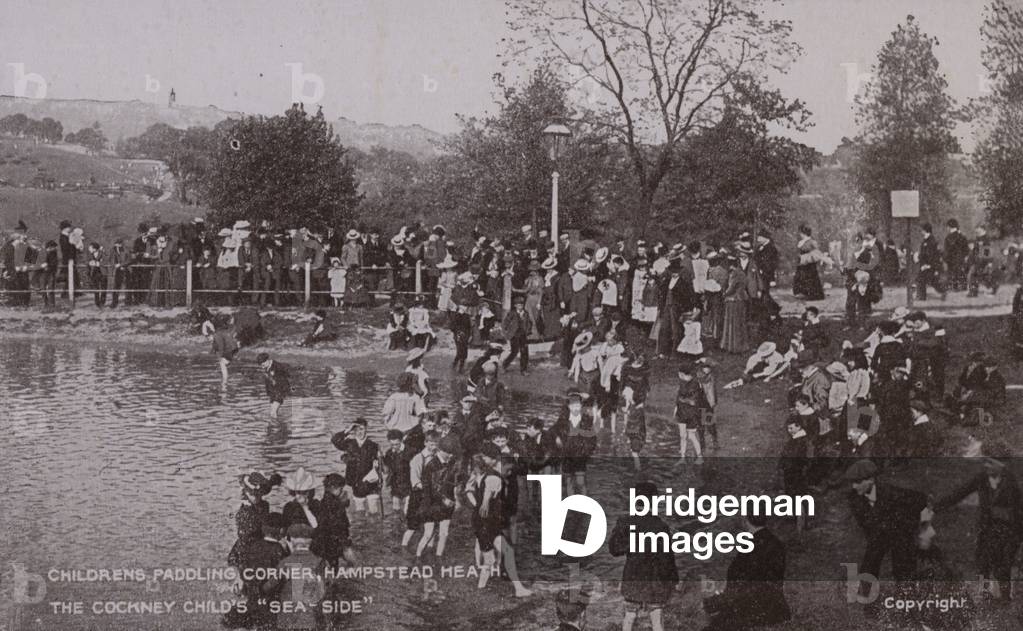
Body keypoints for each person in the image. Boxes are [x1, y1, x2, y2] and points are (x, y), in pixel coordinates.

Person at [934, 449, 1023, 601]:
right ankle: (985, 594)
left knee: (1003, 564)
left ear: (1000, 466)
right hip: (987, 528)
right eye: (985, 462)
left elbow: (1019, 510)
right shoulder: (982, 478)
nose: (986, 466)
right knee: (983, 563)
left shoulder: (1011, 482)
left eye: (990, 463)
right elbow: (960, 492)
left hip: (1007, 530)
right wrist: (936, 507)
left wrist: (1018, 535)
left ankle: (1005, 597)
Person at [844, 459, 932, 604]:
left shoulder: (893, 493)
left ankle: (909, 604)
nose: (854, 486)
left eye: (858, 482)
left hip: (902, 532)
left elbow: (923, 501)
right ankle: (866, 601)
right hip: (880, 532)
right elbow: (866, 525)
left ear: (871, 480)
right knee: (869, 564)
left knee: (903, 569)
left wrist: (925, 532)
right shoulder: (854, 498)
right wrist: (875, 541)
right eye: (852, 482)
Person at [609, 481, 679, 631]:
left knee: (629, 615)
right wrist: (674, 579)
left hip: (632, 578)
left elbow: (614, 550)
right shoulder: (660, 526)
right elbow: (667, 559)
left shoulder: (625, 522)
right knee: (656, 617)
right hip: (655, 580)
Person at [702, 515, 791, 630]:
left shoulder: (748, 548)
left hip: (751, 610)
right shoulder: (777, 543)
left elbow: (742, 589)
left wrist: (711, 603)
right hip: (777, 609)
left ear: (745, 520)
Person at [416, 434, 461, 559]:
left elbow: (455, 483)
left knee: (444, 533)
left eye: (452, 453)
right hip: (430, 503)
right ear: (440, 450)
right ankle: (418, 557)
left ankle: (438, 557)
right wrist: (444, 499)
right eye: (448, 453)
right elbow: (430, 488)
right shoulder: (431, 466)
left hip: (448, 503)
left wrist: (456, 498)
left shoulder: (452, 462)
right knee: (428, 533)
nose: (451, 455)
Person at [331, 419, 382, 515]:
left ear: (366, 429)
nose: (359, 432)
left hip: (371, 483)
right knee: (360, 512)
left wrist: (378, 470)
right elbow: (334, 440)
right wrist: (347, 430)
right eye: (356, 430)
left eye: (362, 429)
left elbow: (380, 466)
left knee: (373, 512)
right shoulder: (349, 444)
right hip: (356, 482)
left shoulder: (374, 446)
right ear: (353, 431)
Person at [312, 473, 357, 569]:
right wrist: (345, 542)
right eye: (340, 489)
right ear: (333, 487)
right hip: (335, 541)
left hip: (325, 541)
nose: (342, 491)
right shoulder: (336, 504)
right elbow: (339, 524)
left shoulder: (324, 501)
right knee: (347, 564)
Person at [673, 360, 705, 464]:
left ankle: (700, 456)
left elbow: (693, 401)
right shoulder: (681, 382)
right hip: (681, 412)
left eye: (679, 373)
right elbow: (678, 397)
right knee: (682, 435)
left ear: (682, 373)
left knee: (691, 436)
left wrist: (683, 400)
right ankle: (682, 457)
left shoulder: (695, 384)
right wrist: (676, 407)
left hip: (691, 414)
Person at [719, 255, 750, 354]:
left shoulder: (734, 273)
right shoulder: (742, 272)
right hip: (741, 299)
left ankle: (733, 346)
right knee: (740, 322)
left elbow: (731, 288)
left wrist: (723, 294)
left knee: (732, 323)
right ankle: (742, 346)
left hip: (733, 300)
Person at [381, 429, 412, 513]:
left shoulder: (410, 452)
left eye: (397, 444)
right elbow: (386, 470)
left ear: (402, 441)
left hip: (409, 485)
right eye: (392, 445)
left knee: (408, 511)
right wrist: (380, 460)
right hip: (395, 485)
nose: (394, 447)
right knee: (396, 510)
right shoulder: (389, 453)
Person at [502, 295, 534, 374]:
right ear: (515, 305)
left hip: (523, 335)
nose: (520, 307)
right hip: (514, 335)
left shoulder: (525, 313)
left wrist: (528, 330)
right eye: (519, 305)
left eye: (522, 305)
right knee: (514, 352)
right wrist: (506, 332)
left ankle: (523, 370)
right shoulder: (512, 313)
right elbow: (505, 323)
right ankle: (504, 364)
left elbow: (530, 323)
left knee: (524, 352)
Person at [793, 224, 825, 300]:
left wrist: (807, 257)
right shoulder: (801, 242)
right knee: (800, 277)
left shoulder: (812, 242)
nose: (800, 235)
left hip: (809, 264)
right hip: (801, 263)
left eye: (801, 233)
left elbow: (817, 253)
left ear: (804, 233)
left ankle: (813, 295)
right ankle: (802, 293)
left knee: (810, 279)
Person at [916, 222, 946, 301]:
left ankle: (943, 291)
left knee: (930, 280)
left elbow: (932, 255)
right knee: (924, 279)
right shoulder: (926, 240)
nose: (920, 231)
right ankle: (922, 296)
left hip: (930, 265)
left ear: (925, 230)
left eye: (921, 230)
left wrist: (929, 265)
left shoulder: (931, 241)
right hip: (927, 265)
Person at [256, 352, 290, 419]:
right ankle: (278, 426)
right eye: (261, 366)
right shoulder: (267, 368)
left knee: (272, 413)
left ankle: (275, 427)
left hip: (280, 390)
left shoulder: (278, 366)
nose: (262, 367)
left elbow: (287, 373)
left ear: (267, 361)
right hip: (273, 392)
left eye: (263, 365)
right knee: (273, 411)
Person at [210, 318, 239, 384]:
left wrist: (220, 356)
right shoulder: (223, 331)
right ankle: (227, 374)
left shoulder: (217, 334)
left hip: (229, 349)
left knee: (222, 363)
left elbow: (221, 346)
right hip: (233, 348)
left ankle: (225, 381)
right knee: (225, 362)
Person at [944, 219, 969, 291]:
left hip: (951, 258)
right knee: (960, 272)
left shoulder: (948, 237)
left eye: (947, 226)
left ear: (949, 227)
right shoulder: (962, 236)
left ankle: (954, 287)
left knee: (952, 272)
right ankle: (963, 287)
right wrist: (965, 256)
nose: (947, 228)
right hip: (960, 258)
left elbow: (947, 250)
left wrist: (945, 258)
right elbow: (966, 248)